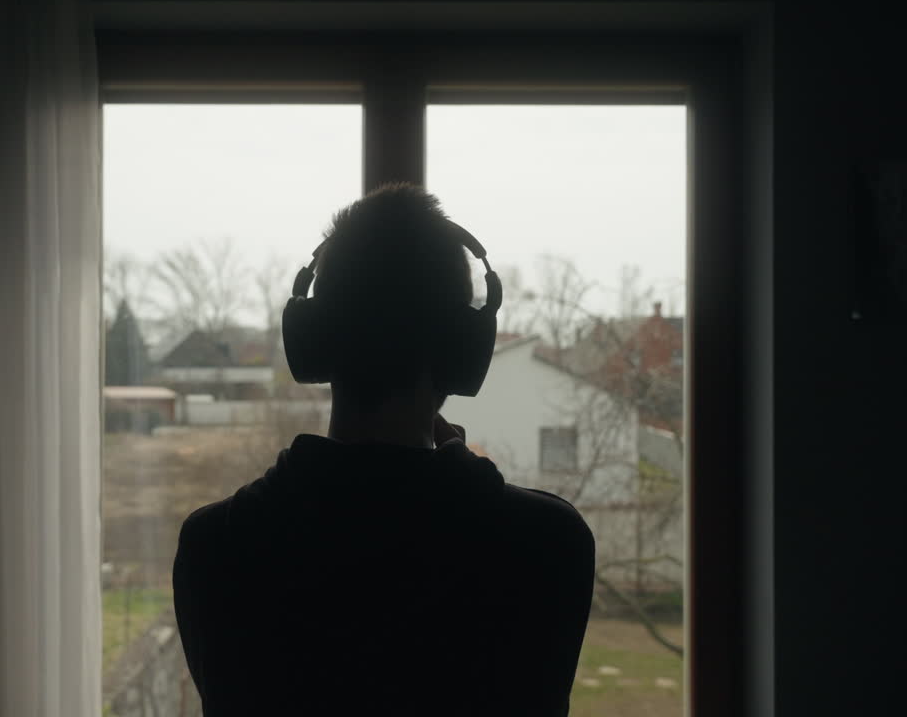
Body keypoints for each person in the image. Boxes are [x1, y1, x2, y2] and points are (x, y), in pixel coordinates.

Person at [173, 184, 595, 716]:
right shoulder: (548, 545)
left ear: (314, 342)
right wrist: (463, 471)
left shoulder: (215, 547)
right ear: (464, 351)